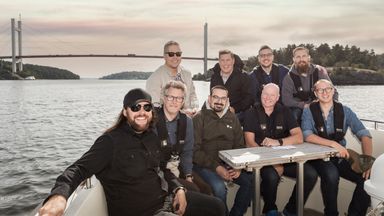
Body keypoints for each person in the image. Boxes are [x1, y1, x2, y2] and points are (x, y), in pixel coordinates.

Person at [38, 88, 225, 216]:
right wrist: (58, 196)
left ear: (152, 111)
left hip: (164, 199)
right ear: (125, 111)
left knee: (217, 207)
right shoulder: (110, 141)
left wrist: (179, 189)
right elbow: (78, 169)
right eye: (135, 107)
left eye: (146, 107)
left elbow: (162, 169)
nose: (141, 112)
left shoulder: (151, 137)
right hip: (143, 211)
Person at [243, 83, 318, 216]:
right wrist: (273, 162)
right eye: (265, 94)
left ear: (278, 97)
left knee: (310, 175)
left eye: (272, 95)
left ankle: (290, 211)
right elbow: (250, 143)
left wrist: (278, 142)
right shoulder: (251, 113)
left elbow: (299, 137)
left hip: (283, 158)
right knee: (271, 176)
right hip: (260, 159)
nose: (268, 98)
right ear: (261, 94)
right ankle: (270, 210)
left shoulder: (285, 111)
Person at [302, 79, 373, 216]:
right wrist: (334, 144)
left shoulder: (346, 111)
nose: (325, 92)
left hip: (340, 157)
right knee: (331, 175)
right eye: (320, 90)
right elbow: (307, 136)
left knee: (368, 178)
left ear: (333, 90)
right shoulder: (309, 111)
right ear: (316, 94)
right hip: (318, 157)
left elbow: (364, 135)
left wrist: (367, 161)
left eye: (328, 89)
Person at [193, 85, 253, 216]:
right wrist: (217, 168)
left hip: (229, 164)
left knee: (252, 181)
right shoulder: (199, 118)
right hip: (205, 165)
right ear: (209, 99)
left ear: (227, 100)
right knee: (219, 188)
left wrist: (237, 167)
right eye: (215, 97)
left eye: (223, 98)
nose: (219, 101)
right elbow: (195, 151)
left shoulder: (233, 118)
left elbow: (240, 147)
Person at [156, 80, 212, 194]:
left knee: (206, 190)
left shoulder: (186, 121)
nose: (175, 102)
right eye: (171, 97)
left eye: (179, 98)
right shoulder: (153, 120)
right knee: (194, 191)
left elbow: (187, 151)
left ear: (183, 101)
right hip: (159, 171)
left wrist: (188, 175)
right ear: (164, 98)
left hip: (178, 166)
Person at [282, 46, 337, 122]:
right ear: (293, 59)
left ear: (309, 57)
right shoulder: (288, 77)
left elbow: (333, 91)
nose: (301, 59)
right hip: (299, 108)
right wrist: (304, 105)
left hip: (319, 104)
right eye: (298, 57)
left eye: (304, 56)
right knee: (293, 115)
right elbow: (286, 100)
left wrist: (331, 106)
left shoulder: (320, 71)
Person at [146, 40, 199, 116]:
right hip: (166, 123)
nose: (175, 57)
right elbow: (155, 108)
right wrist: (182, 113)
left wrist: (195, 108)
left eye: (178, 54)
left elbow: (193, 96)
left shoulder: (187, 74)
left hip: (189, 120)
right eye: (171, 54)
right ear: (164, 56)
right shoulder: (154, 79)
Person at [209, 49, 254, 124]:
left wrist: (235, 109)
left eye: (228, 60)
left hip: (238, 113)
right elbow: (212, 97)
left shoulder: (243, 77)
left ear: (233, 61)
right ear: (219, 62)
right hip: (218, 111)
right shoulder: (214, 77)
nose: (225, 63)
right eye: (222, 60)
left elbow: (249, 98)